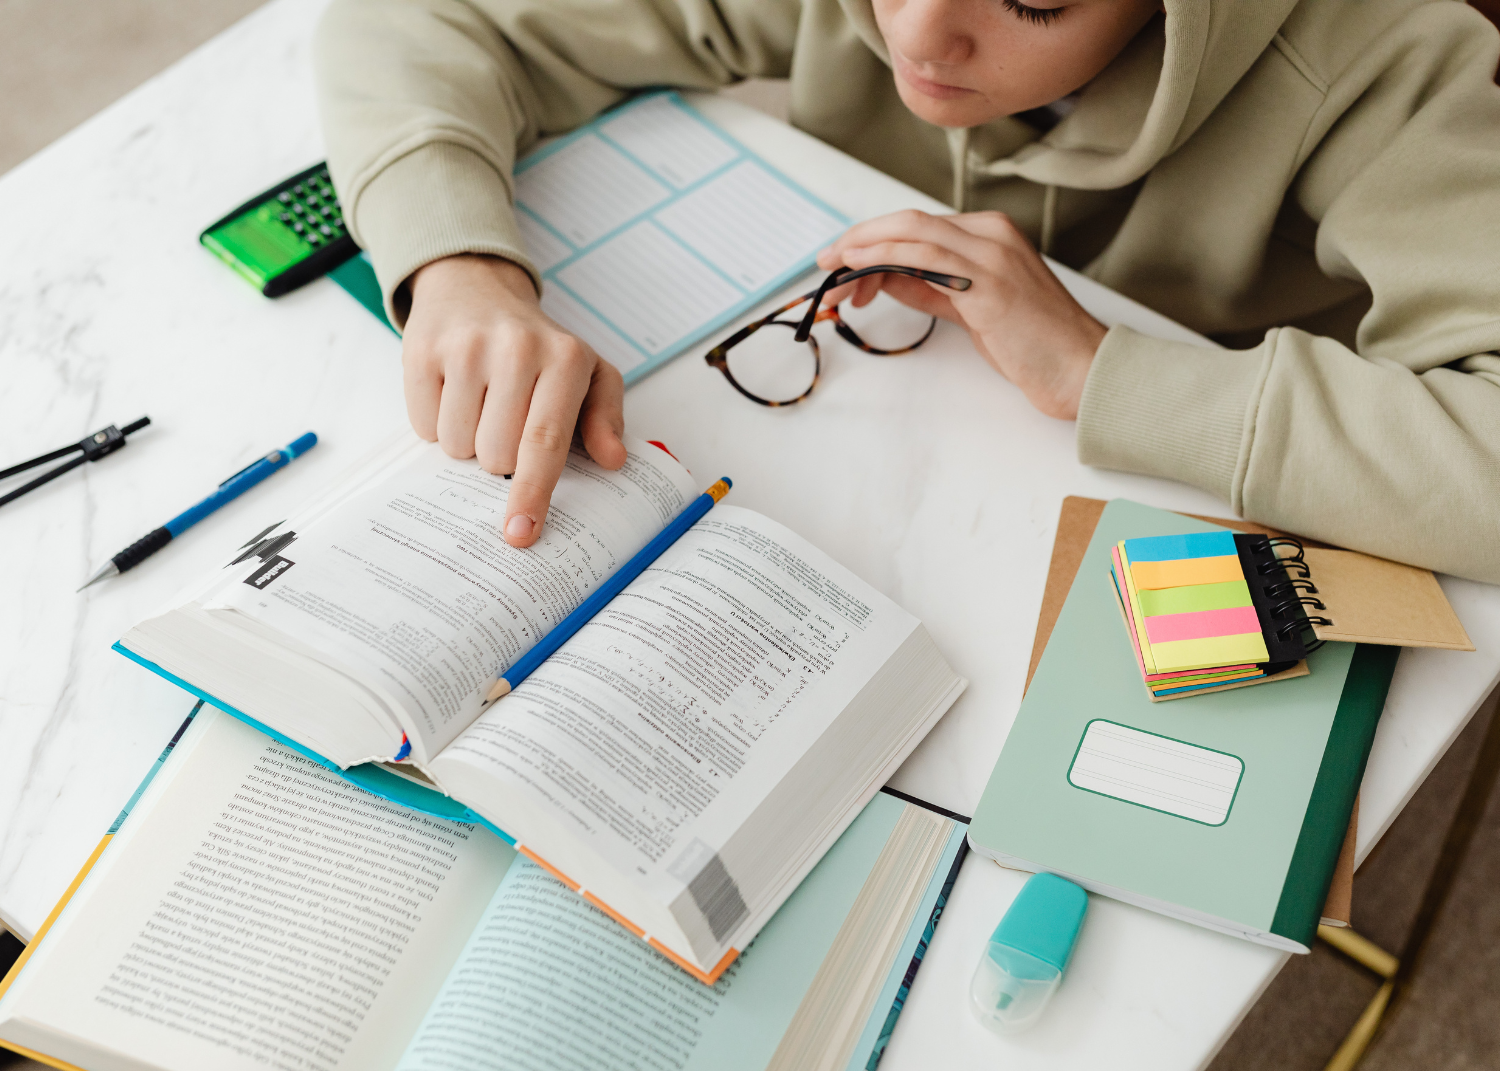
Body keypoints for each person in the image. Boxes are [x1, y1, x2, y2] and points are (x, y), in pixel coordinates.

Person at [314, 0, 1500, 583]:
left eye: (1034, 0)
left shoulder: (1392, 57)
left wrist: (1102, 370)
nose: (922, 35)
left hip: (1200, 539)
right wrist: (457, 267)